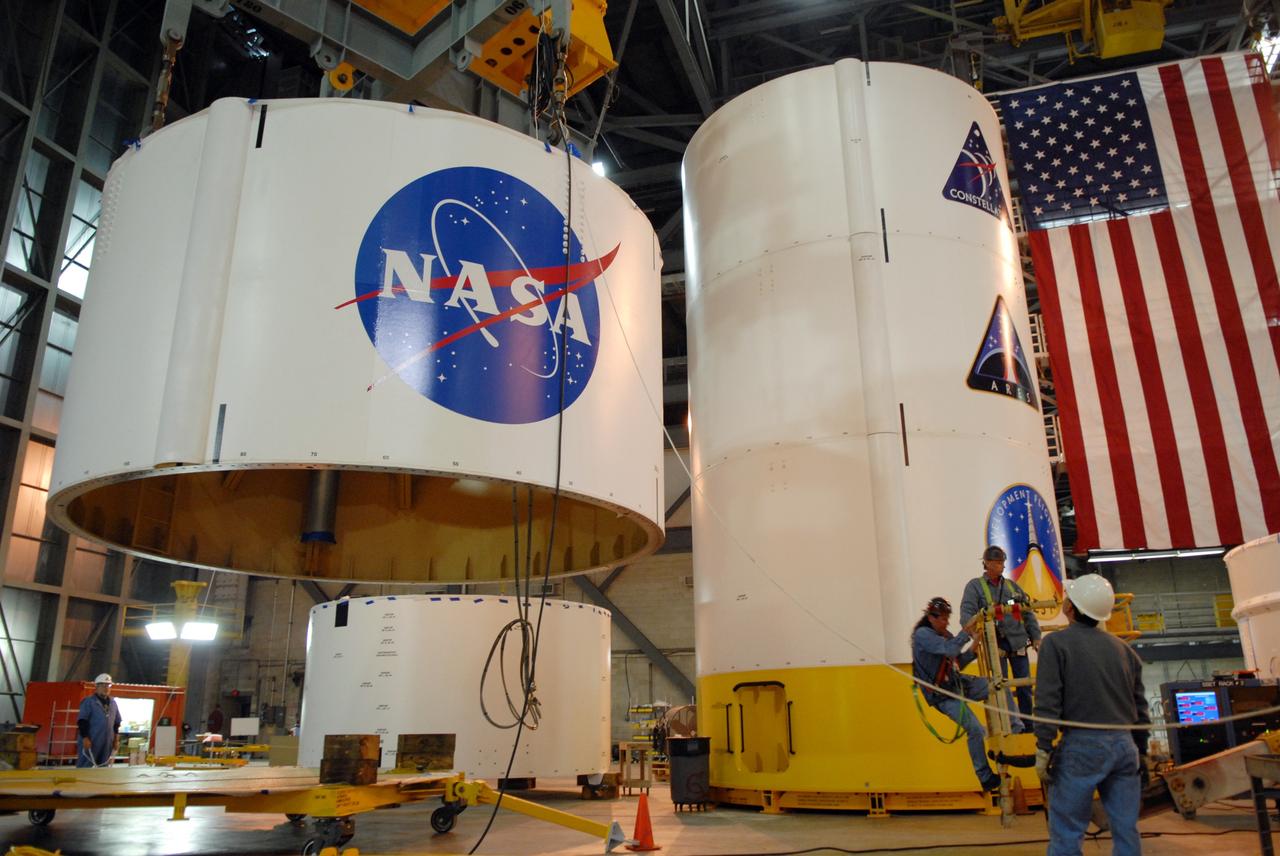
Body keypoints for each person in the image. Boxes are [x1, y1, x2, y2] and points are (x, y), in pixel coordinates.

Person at [1033, 574, 1148, 856]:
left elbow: (1048, 700)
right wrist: (1141, 750)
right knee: (1126, 829)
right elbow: (1140, 708)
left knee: (1068, 831)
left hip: (1082, 747)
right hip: (1125, 747)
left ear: (1070, 607)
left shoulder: (1056, 644)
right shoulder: (1125, 650)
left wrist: (1043, 747)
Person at [911, 596, 1001, 792]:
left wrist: (975, 643)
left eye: (946, 618)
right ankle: (985, 777)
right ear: (931, 617)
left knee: (998, 686)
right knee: (976, 730)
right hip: (943, 695)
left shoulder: (944, 635)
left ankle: (1012, 731)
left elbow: (959, 661)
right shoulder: (923, 635)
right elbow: (950, 651)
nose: (945, 622)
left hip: (957, 684)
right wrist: (966, 631)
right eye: (942, 618)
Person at [960, 545, 1041, 730]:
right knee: (1000, 686)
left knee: (1025, 685)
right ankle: (1011, 726)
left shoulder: (1012, 587)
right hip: (995, 644)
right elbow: (966, 614)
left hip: (1018, 642)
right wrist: (974, 633)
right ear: (987, 563)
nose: (1001, 566)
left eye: (1002, 562)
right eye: (997, 562)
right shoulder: (975, 587)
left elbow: (1027, 613)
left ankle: (1028, 725)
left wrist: (1036, 638)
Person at [76, 673, 122, 768]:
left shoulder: (113, 703)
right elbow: (82, 721)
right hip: (92, 740)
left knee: (104, 766)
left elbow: (116, 723)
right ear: (96, 686)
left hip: (107, 741)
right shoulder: (89, 702)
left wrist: (116, 740)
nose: (106, 688)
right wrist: (85, 738)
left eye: (108, 685)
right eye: (103, 685)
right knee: (86, 765)